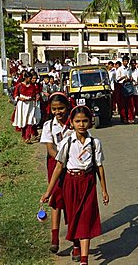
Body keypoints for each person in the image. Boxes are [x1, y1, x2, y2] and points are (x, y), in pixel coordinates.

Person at [41, 105, 109, 265]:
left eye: (85, 121)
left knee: (85, 218)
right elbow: (59, 166)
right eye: (78, 121)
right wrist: (48, 192)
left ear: (90, 122)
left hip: (88, 182)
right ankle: (76, 244)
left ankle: (84, 260)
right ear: (71, 123)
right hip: (70, 183)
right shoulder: (67, 142)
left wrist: (104, 190)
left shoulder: (95, 143)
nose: (81, 124)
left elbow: (99, 166)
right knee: (73, 217)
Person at [39, 92, 72, 254]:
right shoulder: (48, 126)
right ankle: (54, 238)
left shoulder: (74, 123)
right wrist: (61, 159)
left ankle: (76, 239)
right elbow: (50, 148)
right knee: (55, 199)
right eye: (54, 109)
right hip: (55, 164)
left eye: (61, 108)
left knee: (72, 200)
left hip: (73, 165)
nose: (58, 112)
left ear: (67, 107)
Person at [12, 71, 42, 143]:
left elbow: (34, 95)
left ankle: (28, 137)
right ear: (25, 78)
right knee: (23, 120)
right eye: (29, 78)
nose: (30, 79)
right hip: (22, 105)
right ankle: (24, 136)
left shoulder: (32, 86)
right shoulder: (19, 85)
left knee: (30, 119)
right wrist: (20, 98)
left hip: (30, 104)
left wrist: (33, 98)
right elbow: (15, 95)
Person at [116, 56, 132, 123]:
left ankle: (128, 117)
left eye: (127, 61)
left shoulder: (129, 69)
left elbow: (130, 77)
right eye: (125, 61)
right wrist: (123, 77)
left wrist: (129, 79)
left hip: (128, 86)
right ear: (123, 62)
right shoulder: (119, 69)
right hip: (121, 86)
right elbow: (117, 79)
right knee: (122, 103)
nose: (126, 62)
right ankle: (123, 118)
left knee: (128, 103)